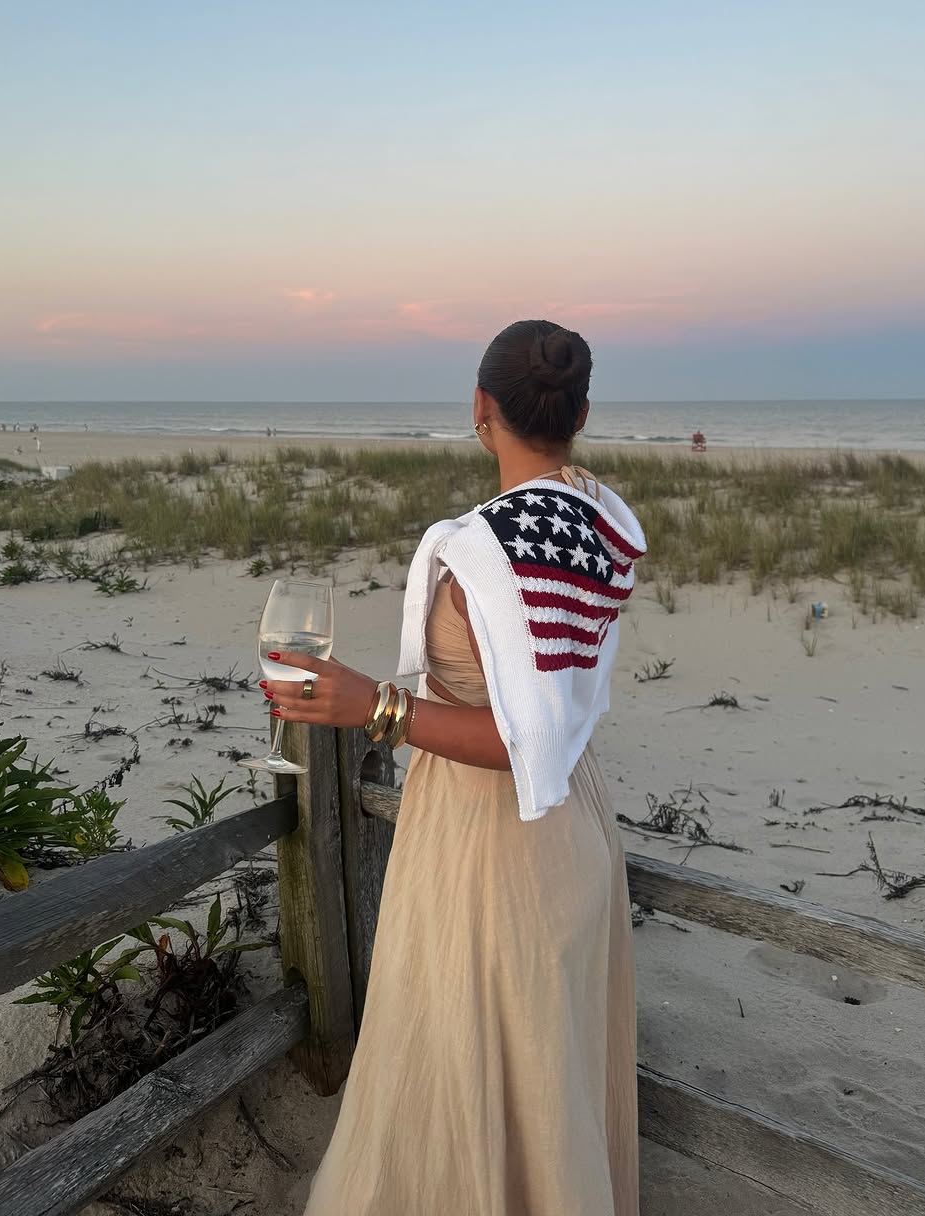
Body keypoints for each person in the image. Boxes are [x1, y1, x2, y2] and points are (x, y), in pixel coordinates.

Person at [265, 320, 645, 1215]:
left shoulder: (490, 553)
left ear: (481, 407)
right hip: (578, 822)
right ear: (581, 413)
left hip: (490, 839)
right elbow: (554, 710)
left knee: (458, 1054)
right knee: (545, 1068)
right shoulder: (596, 519)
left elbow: (519, 743)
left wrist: (376, 707)